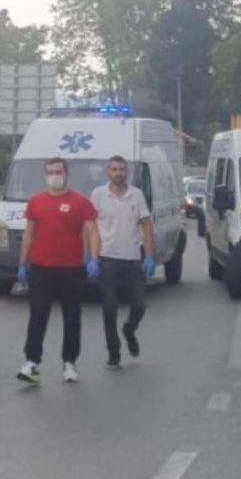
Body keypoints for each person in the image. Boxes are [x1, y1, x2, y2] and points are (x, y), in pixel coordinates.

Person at [16, 157, 101, 385]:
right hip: (41, 268)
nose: (55, 175)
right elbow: (29, 234)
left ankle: (69, 362)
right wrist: (22, 263)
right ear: (45, 175)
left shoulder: (81, 202)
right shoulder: (36, 202)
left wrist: (94, 258)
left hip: (72, 269)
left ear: (66, 174)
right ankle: (32, 363)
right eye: (51, 172)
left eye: (58, 171)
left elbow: (92, 232)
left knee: (71, 316)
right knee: (38, 314)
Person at [90, 156, 156, 369]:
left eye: (122, 169)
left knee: (139, 305)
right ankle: (114, 352)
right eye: (114, 169)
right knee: (109, 309)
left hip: (132, 259)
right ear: (108, 172)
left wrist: (149, 255)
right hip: (107, 258)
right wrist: (91, 256)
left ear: (126, 172)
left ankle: (129, 329)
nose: (118, 173)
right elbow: (90, 226)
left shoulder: (136, 195)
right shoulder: (98, 195)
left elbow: (146, 225)